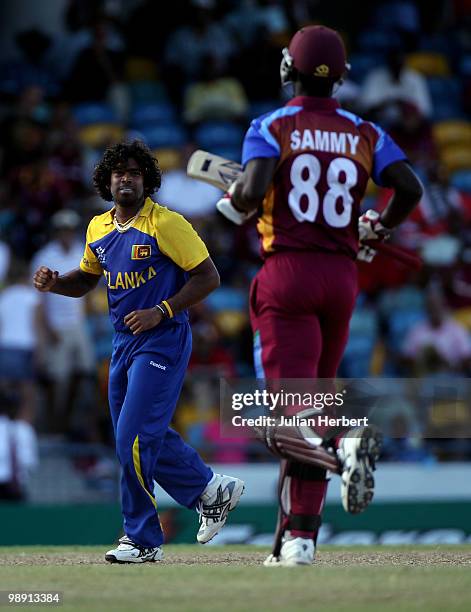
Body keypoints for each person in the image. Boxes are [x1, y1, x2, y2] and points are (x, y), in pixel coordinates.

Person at [217, 25, 423, 566]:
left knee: (283, 419)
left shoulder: (272, 125)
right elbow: (409, 188)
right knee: (312, 404)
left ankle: (340, 445)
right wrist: (378, 224)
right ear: (342, 75)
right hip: (341, 279)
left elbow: (253, 190)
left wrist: (235, 203)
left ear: (290, 69)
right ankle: (299, 540)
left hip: (287, 273)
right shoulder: (364, 131)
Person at [33, 140, 244, 564]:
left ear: (146, 180)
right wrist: (57, 282)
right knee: (138, 435)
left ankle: (142, 539)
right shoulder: (98, 228)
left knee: (132, 436)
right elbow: (87, 279)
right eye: (118, 173)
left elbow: (208, 277)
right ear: (106, 181)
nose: (125, 179)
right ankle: (210, 489)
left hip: (163, 338)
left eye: (133, 172)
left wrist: (161, 311)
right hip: (122, 343)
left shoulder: (167, 223)